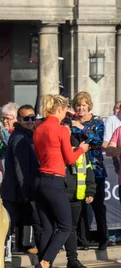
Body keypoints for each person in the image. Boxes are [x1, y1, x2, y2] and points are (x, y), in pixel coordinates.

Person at [33, 94, 89, 268]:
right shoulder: (61, 129)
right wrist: (81, 149)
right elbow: (71, 159)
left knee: (47, 228)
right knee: (65, 226)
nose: (66, 114)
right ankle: (45, 262)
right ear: (59, 109)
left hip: (40, 180)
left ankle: (43, 262)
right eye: (65, 110)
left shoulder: (38, 129)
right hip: (55, 180)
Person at [0, 105, 41, 255]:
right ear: (19, 120)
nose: (30, 121)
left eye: (32, 118)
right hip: (16, 193)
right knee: (8, 227)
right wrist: (29, 196)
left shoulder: (28, 135)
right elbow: (20, 169)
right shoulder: (19, 138)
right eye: (26, 119)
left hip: (22, 191)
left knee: (32, 224)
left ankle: (39, 257)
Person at [71, 91, 108, 250]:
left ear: (89, 106)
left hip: (95, 169)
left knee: (98, 205)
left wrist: (81, 127)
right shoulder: (71, 121)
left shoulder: (97, 122)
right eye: (78, 105)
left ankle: (103, 239)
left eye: (83, 105)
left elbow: (98, 140)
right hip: (78, 169)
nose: (80, 109)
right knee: (80, 208)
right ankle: (83, 240)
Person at [61, 117, 96, 268]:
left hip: (76, 194)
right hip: (59, 192)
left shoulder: (79, 148)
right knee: (58, 227)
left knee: (71, 228)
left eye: (68, 130)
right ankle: (45, 259)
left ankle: (72, 259)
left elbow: (88, 171)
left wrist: (90, 191)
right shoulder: (55, 147)